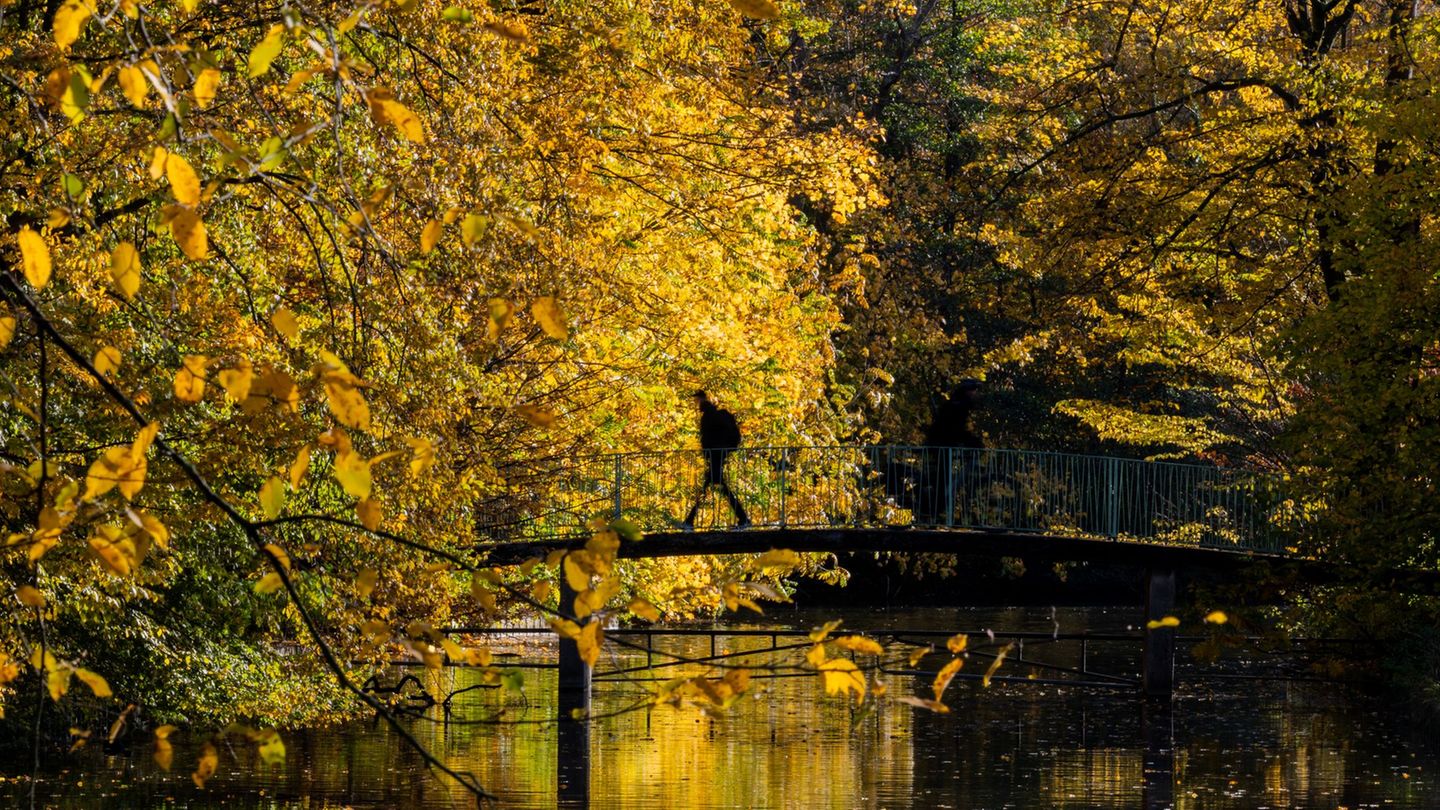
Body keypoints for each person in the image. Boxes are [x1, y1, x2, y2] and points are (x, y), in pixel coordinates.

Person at [683, 390, 750, 530]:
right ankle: (689, 520)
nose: (696, 404)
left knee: (713, 485)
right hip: (718, 454)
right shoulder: (714, 414)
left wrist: (708, 452)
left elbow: (708, 438)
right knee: (715, 485)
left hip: (716, 455)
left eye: (697, 400)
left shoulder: (709, 415)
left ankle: (689, 521)